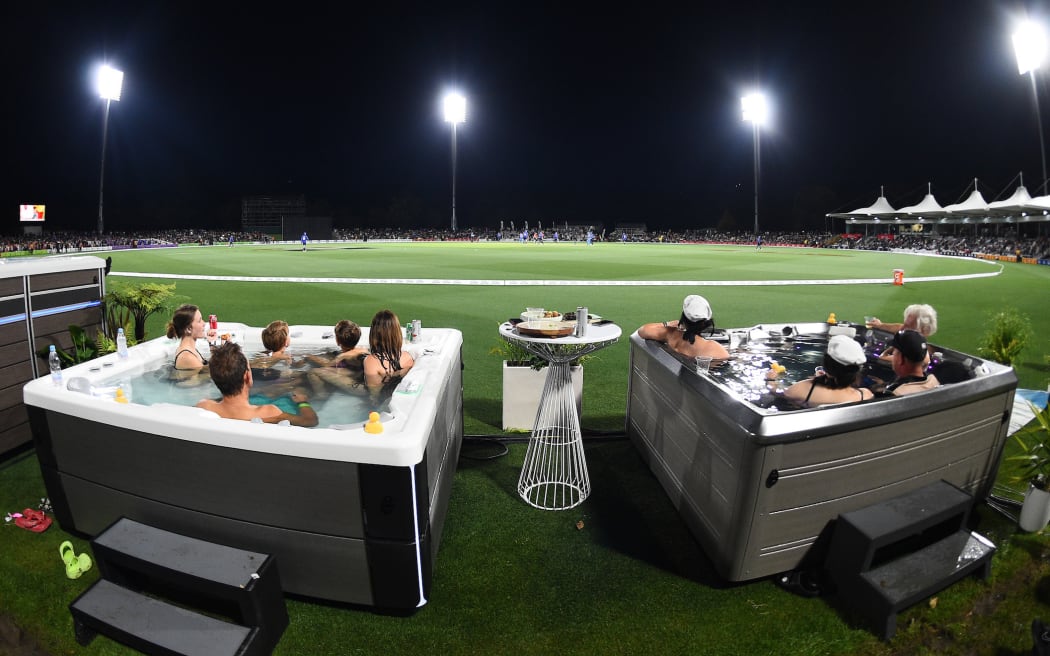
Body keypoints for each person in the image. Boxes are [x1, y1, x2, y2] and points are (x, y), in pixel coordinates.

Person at [196, 342, 318, 426]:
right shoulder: (268, 412)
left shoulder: (204, 407)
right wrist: (302, 402)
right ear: (248, 376)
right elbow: (310, 420)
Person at [781, 335, 874, 408]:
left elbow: (780, 394)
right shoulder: (865, 395)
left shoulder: (801, 389)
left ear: (826, 365)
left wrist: (771, 380)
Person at [637, 294, 730, 360]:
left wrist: (666, 324)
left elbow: (643, 330)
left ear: (683, 318)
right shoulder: (713, 348)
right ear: (705, 323)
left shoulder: (671, 334)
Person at [363, 309, 415, 399]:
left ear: (374, 334)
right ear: (397, 333)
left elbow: (374, 395)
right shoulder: (408, 357)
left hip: (382, 404)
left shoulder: (371, 361)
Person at [880, 330, 941, 396]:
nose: (893, 355)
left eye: (894, 353)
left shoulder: (894, 393)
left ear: (901, 358)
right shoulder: (933, 380)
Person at [870, 304, 937, 362]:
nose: (902, 328)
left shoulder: (913, 356)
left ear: (922, 331)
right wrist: (880, 325)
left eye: (907, 326)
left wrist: (893, 347)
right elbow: (900, 327)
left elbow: (882, 358)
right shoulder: (919, 345)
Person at [167, 304, 216, 372]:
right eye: (199, 321)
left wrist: (211, 343)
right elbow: (215, 375)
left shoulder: (190, 350)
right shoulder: (186, 356)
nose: (204, 323)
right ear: (189, 329)